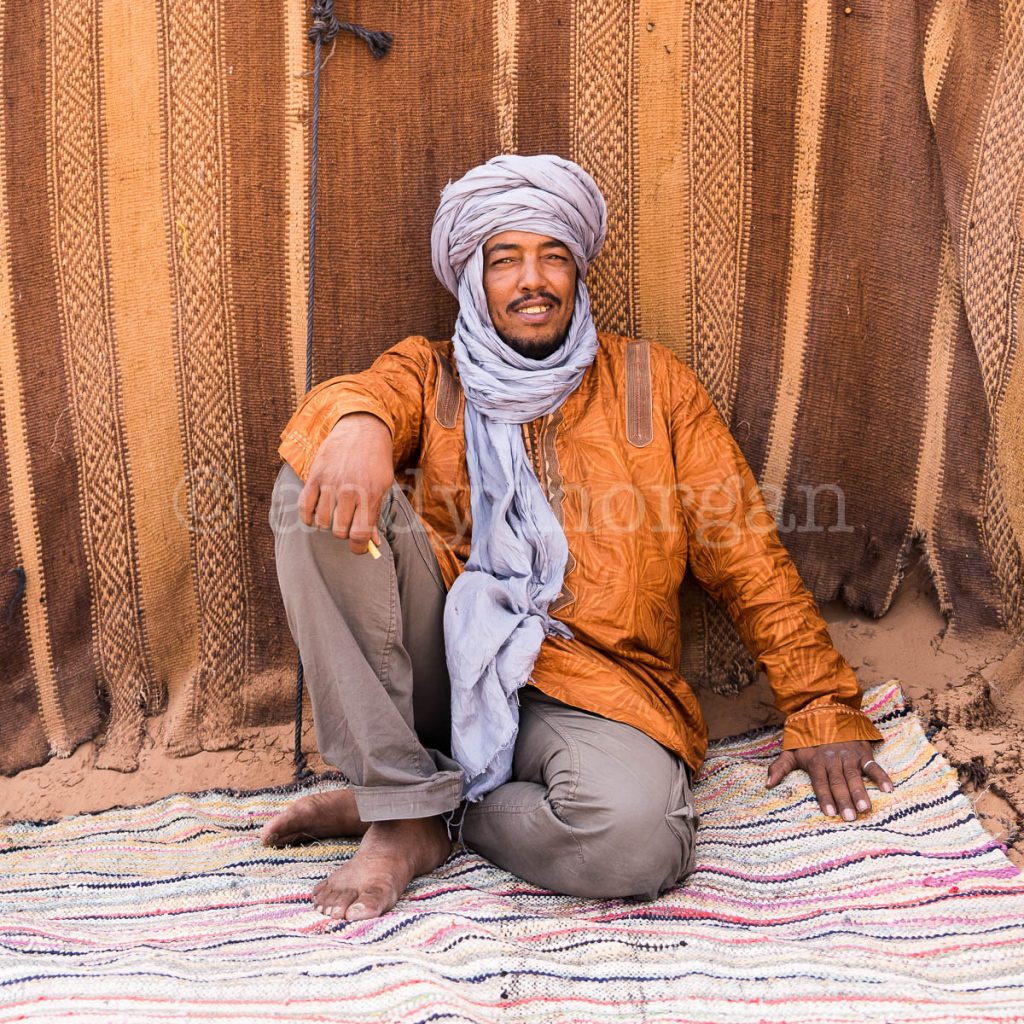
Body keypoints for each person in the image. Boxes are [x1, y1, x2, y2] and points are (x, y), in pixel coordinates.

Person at [262, 154, 893, 922]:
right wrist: (357, 422)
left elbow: (745, 551)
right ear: (472, 278)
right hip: (446, 667)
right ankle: (397, 801)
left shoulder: (652, 385)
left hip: (592, 685)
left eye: (552, 255)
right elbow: (363, 396)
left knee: (640, 842)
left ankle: (432, 815)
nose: (533, 280)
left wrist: (820, 702)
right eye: (506, 260)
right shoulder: (430, 376)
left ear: (577, 270)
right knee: (308, 489)